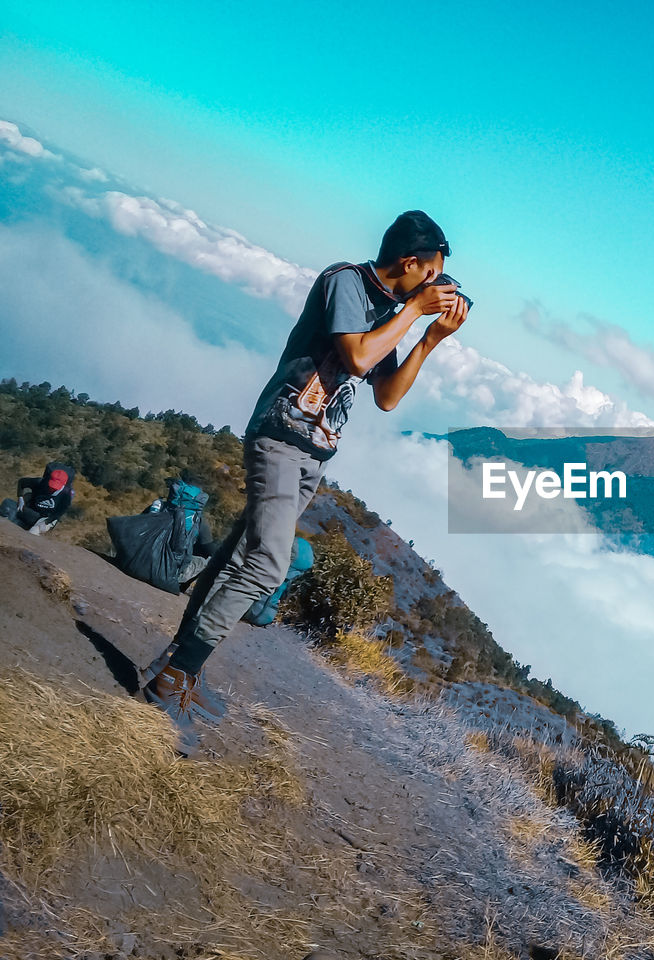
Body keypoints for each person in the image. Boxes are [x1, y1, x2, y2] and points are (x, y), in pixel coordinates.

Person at [139, 210, 469, 752]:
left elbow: (385, 396)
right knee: (268, 562)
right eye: (430, 273)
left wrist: (429, 338)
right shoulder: (346, 282)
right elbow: (358, 358)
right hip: (279, 434)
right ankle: (172, 681)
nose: (434, 284)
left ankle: (177, 665)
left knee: (240, 551)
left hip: (313, 452)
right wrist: (413, 310)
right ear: (409, 262)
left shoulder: (391, 311)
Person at [1, 462, 75, 535]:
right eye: (51, 485)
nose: (52, 488)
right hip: (32, 509)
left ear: (64, 484)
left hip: (46, 518)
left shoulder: (67, 494)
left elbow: (59, 513)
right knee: (7, 504)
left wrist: (46, 522)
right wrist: (20, 499)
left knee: (33, 532)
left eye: (55, 487)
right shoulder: (40, 482)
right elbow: (22, 482)